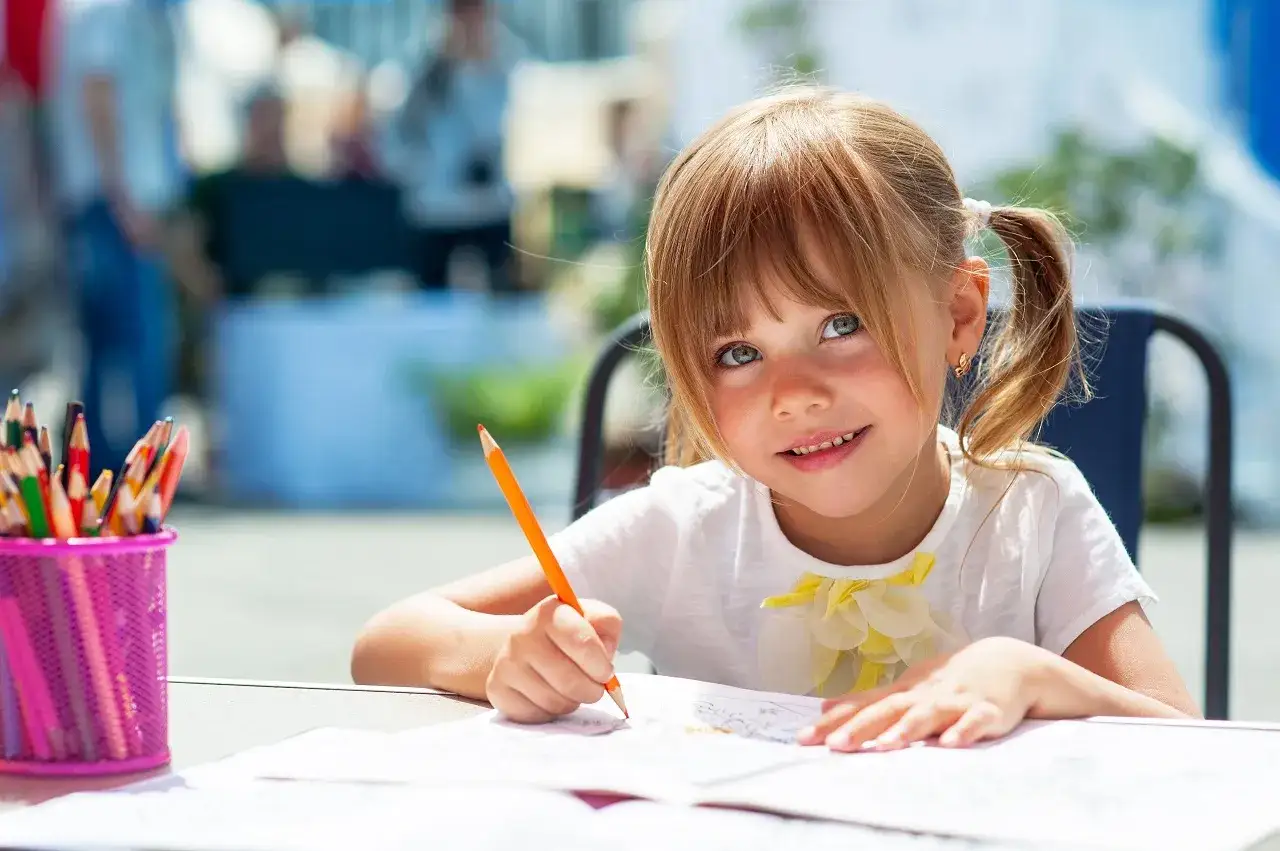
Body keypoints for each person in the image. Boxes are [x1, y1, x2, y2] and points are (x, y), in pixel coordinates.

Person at [351, 88, 1198, 751]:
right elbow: (386, 642)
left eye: (841, 324)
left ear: (959, 314)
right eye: (737, 352)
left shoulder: (1034, 514)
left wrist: (1033, 676)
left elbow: (1193, 749)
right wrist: (509, 657)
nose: (792, 393)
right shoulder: (682, 528)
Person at [49, 0, 184, 479]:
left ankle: (103, 477)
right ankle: (131, 476)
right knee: (131, 344)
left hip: (121, 204)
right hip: (115, 207)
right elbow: (97, 94)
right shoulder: (108, 10)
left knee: (109, 345)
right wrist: (123, 200)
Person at [392, 0, 521, 293]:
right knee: (433, 303)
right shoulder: (423, 60)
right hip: (436, 208)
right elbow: (403, 128)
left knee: (500, 299)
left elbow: (508, 122)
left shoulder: (507, 57)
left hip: (490, 205)